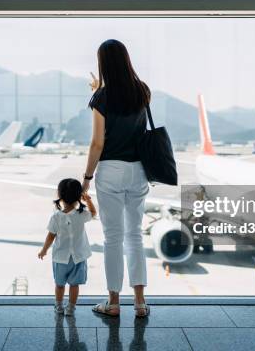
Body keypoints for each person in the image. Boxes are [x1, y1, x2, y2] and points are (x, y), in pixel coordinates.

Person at [83, 39, 151, 318]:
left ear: (102, 63)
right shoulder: (143, 91)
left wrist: (87, 177)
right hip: (138, 170)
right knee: (135, 236)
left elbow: (97, 143)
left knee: (113, 238)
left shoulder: (101, 98)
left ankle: (113, 302)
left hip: (110, 170)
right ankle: (140, 303)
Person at [38, 178, 97, 316]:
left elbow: (50, 237)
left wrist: (44, 250)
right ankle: (70, 308)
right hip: (78, 257)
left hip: (60, 258)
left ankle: (59, 307)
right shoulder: (82, 215)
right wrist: (88, 199)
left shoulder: (56, 217)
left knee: (59, 285)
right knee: (74, 285)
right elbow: (94, 213)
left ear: (60, 196)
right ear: (79, 196)